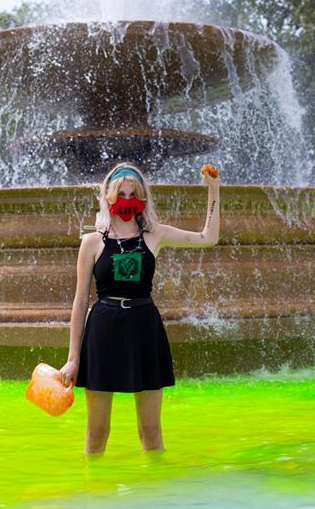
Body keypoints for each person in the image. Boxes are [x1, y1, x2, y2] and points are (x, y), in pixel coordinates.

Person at [59, 162, 221, 454]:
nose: (128, 199)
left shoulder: (154, 234)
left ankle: (153, 496)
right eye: (121, 192)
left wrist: (214, 191)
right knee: (97, 433)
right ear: (108, 196)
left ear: (144, 199)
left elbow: (208, 238)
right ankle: (94, 494)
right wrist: (73, 359)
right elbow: (80, 300)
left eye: (134, 193)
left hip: (144, 329)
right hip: (103, 332)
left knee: (151, 432)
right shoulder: (92, 242)